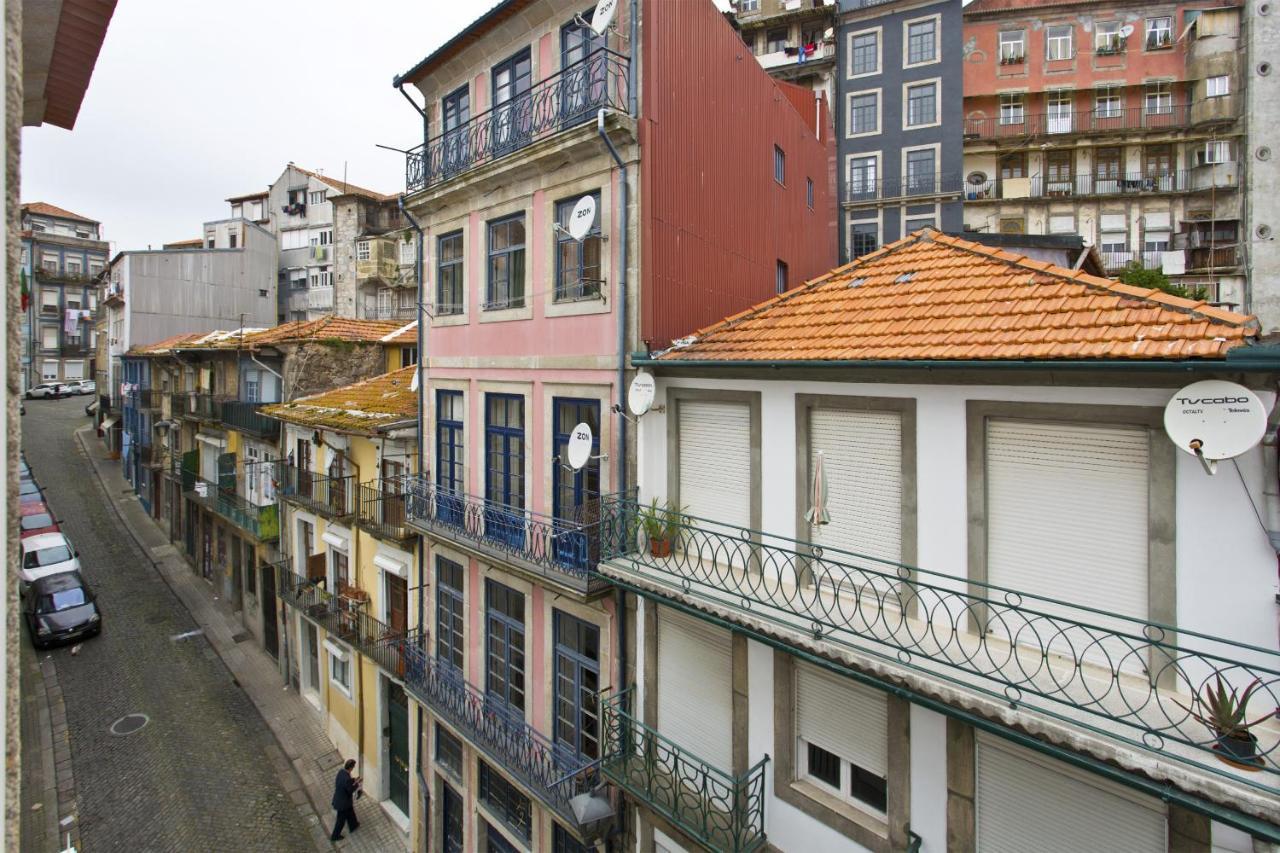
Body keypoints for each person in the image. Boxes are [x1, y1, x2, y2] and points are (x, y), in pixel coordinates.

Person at [330, 758, 362, 841]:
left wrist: (354, 780)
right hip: (343, 804)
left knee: (350, 812)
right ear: (350, 768)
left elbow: (345, 782)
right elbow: (350, 790)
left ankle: (353, 825)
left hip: (340, 799)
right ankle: (335, 836)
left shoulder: (341, 772)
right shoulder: (347, 779)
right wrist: (357, 784)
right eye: (353, 767)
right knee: (340, 820)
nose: (353, 769)